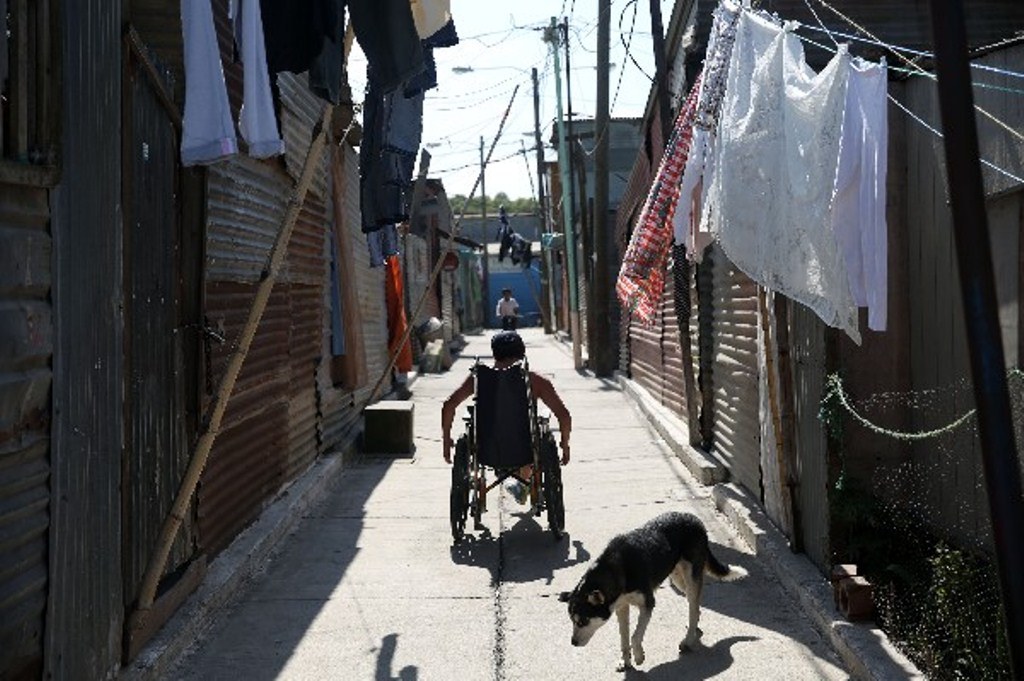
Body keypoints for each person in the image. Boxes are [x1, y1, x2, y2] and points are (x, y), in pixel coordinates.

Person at [441, 331, 571, 503]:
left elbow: (449, 405)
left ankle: (517, 488)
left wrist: (446, 441)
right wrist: (564, 444)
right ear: (522, 352)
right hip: (525, 450)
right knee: (533, 433)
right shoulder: (535, 380)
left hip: (485, 450)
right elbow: (564, 415)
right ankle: (524, 485)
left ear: (494, 353)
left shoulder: (478, 378)